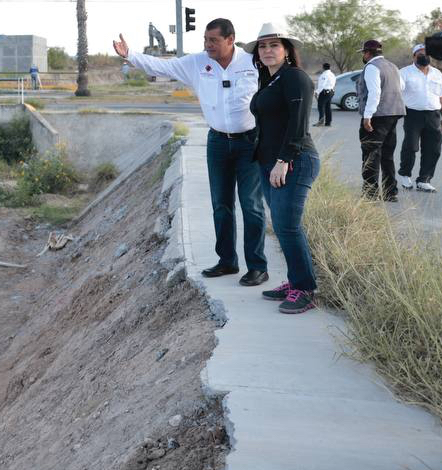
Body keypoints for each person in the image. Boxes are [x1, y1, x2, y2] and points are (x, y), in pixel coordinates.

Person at [114, 18, 268, 285]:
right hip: (218, 142)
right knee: (221, 205)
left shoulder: (253, 62)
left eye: (213, 41)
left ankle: (257, 266)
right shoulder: (197, 63)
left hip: (250, 142)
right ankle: (227, 261)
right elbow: (164, 66)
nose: (208, 45)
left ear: (230, 40)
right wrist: (131, 55)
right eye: (205, 40)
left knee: (251, 205)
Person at [246, 23, 320, 314]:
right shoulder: (271, 80)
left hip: (294, 161)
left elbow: (298, 124)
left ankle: (306, 289)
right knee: (281, 226)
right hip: (270, 163)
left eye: (274, 45)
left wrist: (283, 160)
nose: (267, 50)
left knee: (288, 226)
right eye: (262, 46)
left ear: (287, 49)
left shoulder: (295, 78)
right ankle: (295, 281)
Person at [357, 39, 406, 203]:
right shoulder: (393, 66)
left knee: (371, 155)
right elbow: (402, 87)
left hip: (377, 117)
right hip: (394, 113)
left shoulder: (371, 67)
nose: (363, 56)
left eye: (363, 52)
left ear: (368, 53)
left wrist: (367, 116)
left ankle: (370, 193)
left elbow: (374, 93)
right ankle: (391, 192)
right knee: (387, 155)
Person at [398, 44, 442, 192]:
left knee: (433, 149)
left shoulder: (437, 73)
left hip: (434, 115)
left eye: (427, 54)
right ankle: (405, 174)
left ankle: (424, 180)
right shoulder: (404, 72)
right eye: (420, 54)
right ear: (414, 56)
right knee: (411, 146)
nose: (424, 56)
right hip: (413, 114)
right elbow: (397, 93)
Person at [314, 62, 336, 127]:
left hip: (325, 92)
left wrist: (317, 92)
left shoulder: (324, 75)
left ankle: (321, 122)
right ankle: (328, 122)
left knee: (320, 106)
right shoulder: (332, 74)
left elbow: (322, 85)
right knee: (327, 107)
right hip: (331, 91)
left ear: (323, 67)